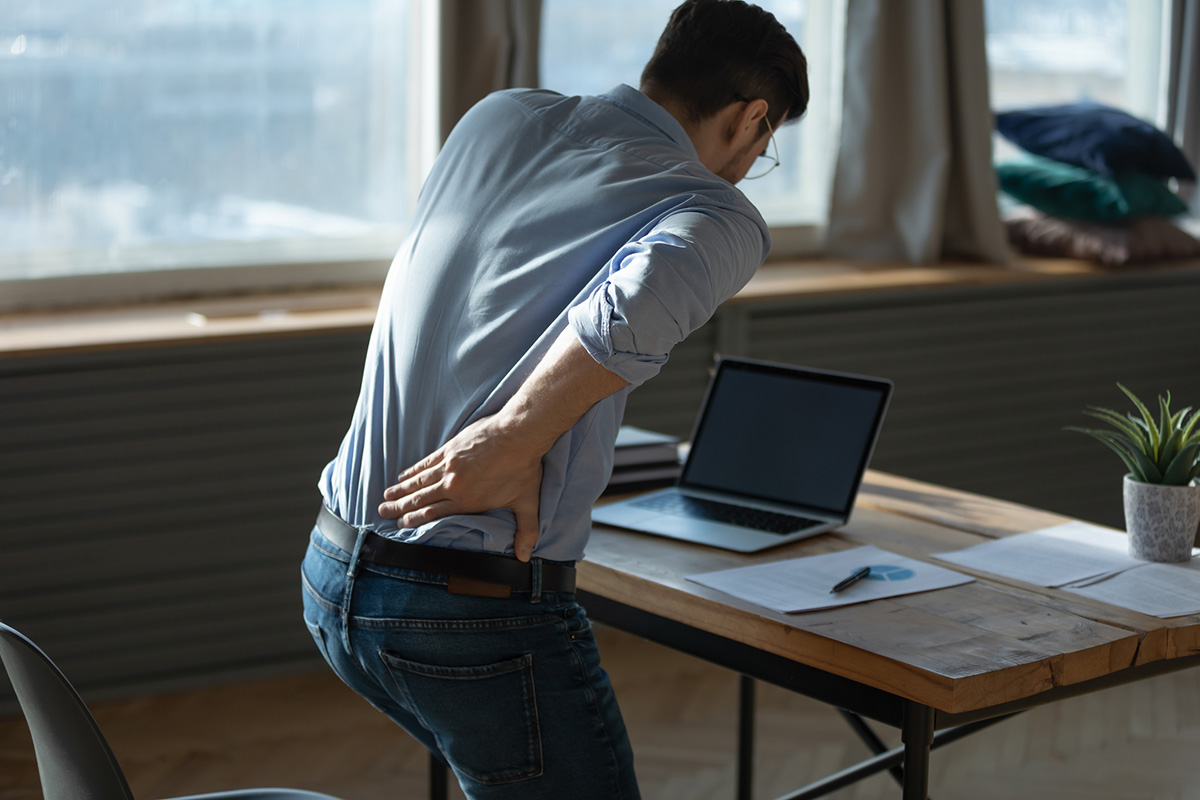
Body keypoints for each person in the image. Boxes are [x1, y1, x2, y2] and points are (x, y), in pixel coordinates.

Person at [300, 2, 808, 797]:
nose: (752, 165)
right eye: (765, 147)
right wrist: (509, 437)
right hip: (469, 608)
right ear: (752, 119)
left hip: (334, 571)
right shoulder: (714, 212)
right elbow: (632, 312)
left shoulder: (499, 116)